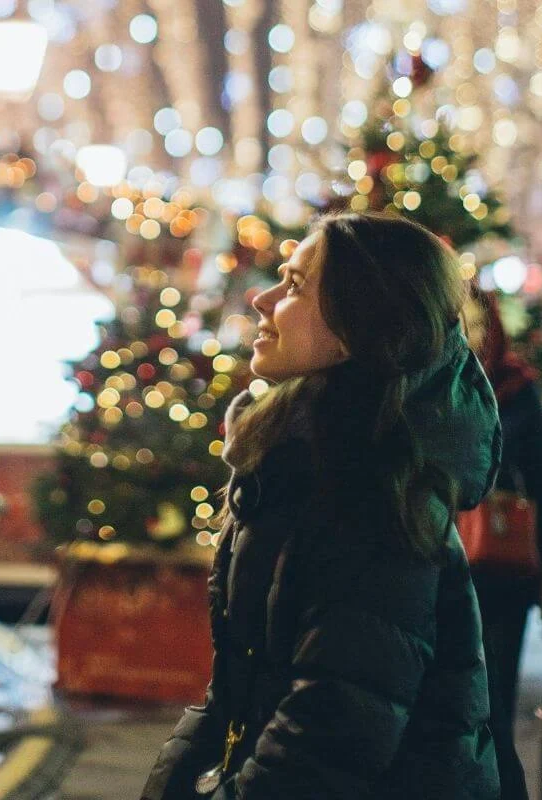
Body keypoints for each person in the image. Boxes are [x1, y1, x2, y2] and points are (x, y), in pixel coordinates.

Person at [142, 213, 502, 800]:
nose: (262, 299)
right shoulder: (294, 463)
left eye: (295, 285)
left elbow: (331, 732)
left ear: (357, 323)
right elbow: (235, 694)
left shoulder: (370, 496)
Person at [462, 290, 542, 799]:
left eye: (480, 323)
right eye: (461, 322)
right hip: (442, 565)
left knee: (492, 707)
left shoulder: (516, 386)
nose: (472, 334)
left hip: (502, 569)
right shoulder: (428, 382)